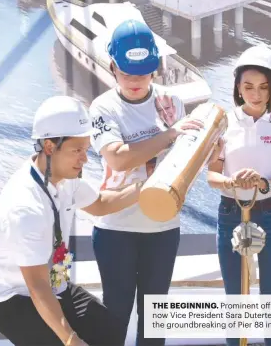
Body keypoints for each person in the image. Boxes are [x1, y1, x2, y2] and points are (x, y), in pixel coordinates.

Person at [0, 95, 145, 346]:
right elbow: (36, 286)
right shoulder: (25, 206)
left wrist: (147, 189)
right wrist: (70, 339)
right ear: (49, 147)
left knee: (109, 330)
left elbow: (100, 204)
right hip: (11, 298)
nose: (85, 158)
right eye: (77, 150)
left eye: (86, 149)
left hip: (54, 285)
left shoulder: (67, 178)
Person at [89, 19, 203, 345]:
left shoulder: (172, 102)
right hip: (116, 228)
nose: (136, 81)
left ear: (156, 68)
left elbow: (187, 158)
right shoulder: (103, 107)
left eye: (143, 73)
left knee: (155, 324)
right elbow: (118, 158)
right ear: (112, 67)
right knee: (115, 316)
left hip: (163, 228)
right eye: (127, 73)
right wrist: (169, 135)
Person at [207, 45, 271, 346]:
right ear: (237, 87)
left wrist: (263, 184)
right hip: (231, 212)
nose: (256, 94)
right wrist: (232, 182)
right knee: (236, 295)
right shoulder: (222, 124)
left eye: (263, 87)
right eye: (248, 86)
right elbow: (212, 176)